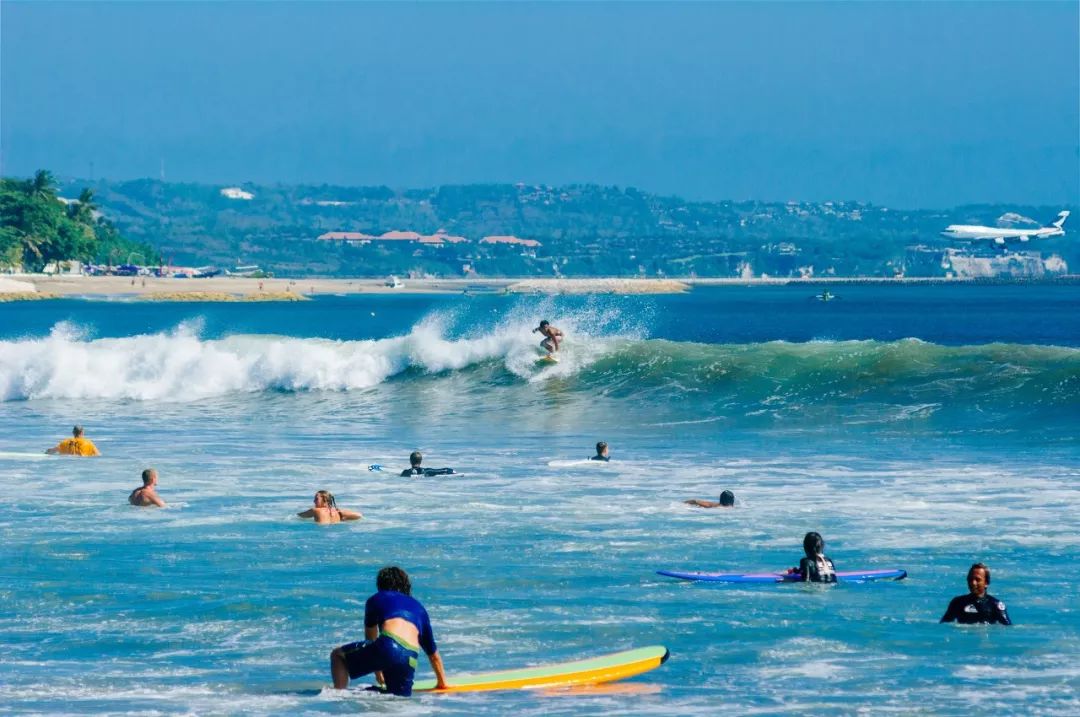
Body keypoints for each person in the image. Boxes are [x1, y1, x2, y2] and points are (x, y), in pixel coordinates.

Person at [330, 566, 448, 695]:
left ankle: (338, 697)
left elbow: (371, 640)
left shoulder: (376, 598)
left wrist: (378, 671)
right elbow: (433, 655)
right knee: (395, 699)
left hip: (388, 646)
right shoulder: (420, 608)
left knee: (337, 655)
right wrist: (442, 684)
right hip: (410, 657)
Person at [940, 563, 1012, 625]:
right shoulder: (958, 602)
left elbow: (1008, 629)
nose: (973, 583)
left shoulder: (995, 605)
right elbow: (943, 626)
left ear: (986, 583)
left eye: (977, 580)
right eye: (970, 579)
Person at [297, 490, 361, 524]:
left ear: (325, 500)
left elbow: (299, 516)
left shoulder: (315, 510)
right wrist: (341, 514)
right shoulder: (338, 512)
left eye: (316, 499)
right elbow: (359, 515)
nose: (314, 501)